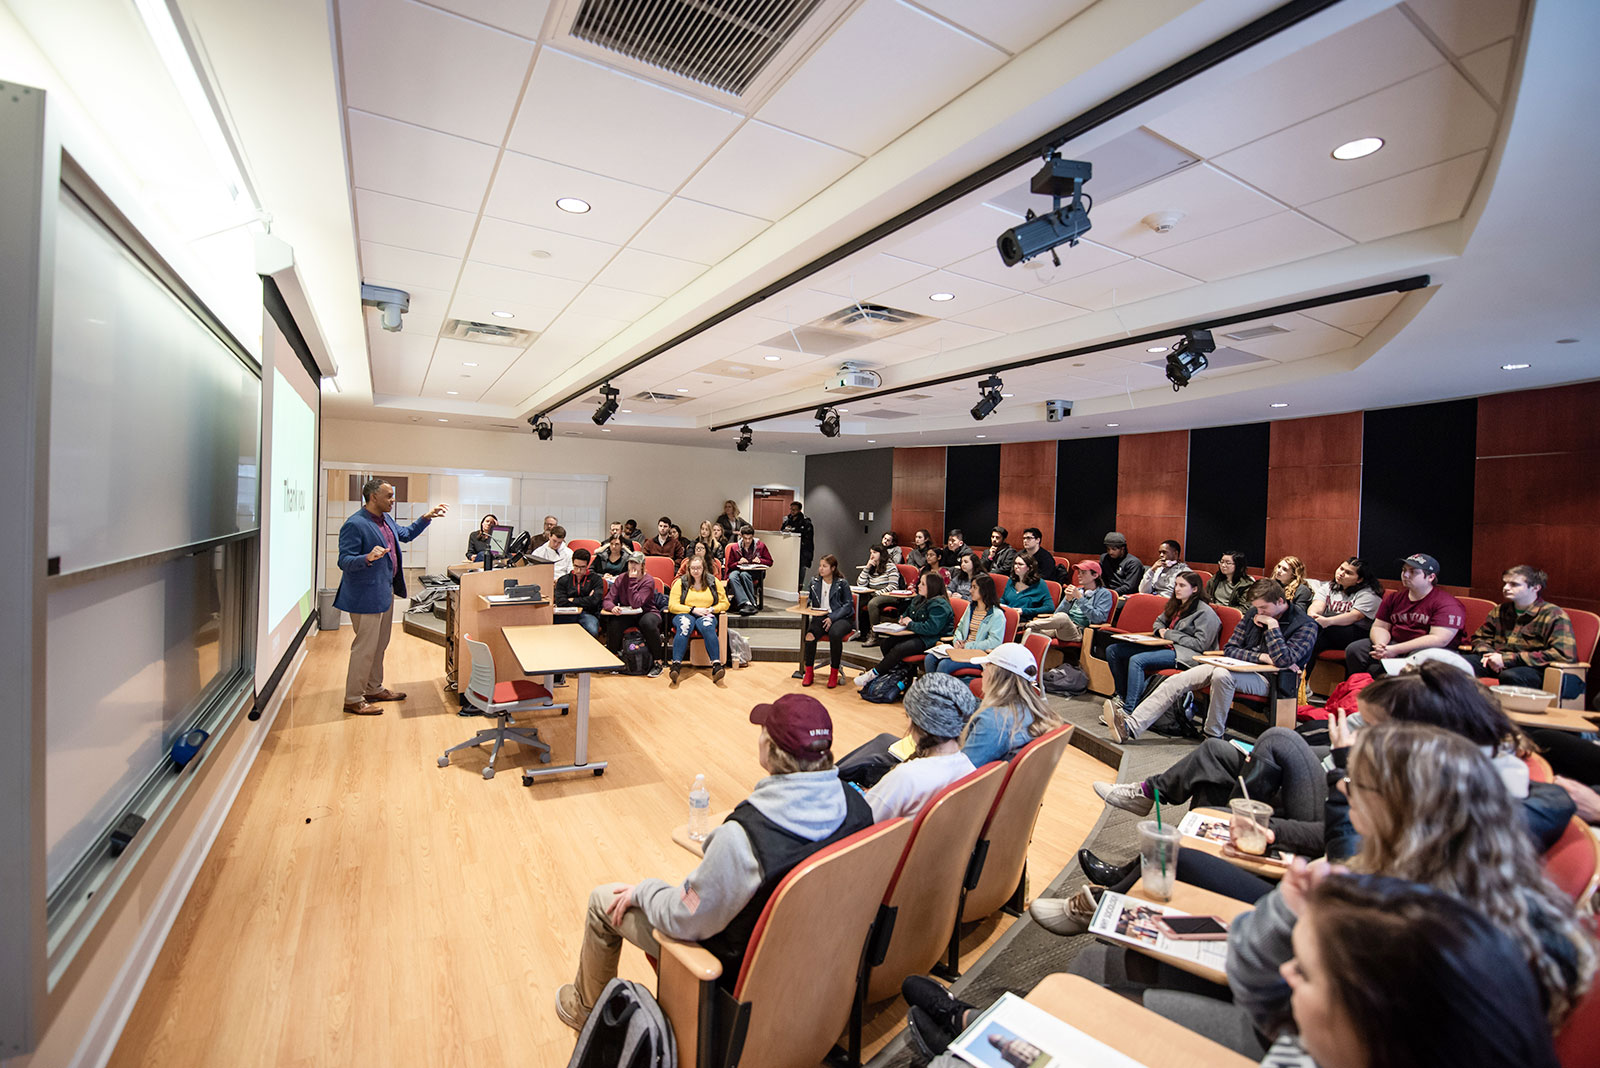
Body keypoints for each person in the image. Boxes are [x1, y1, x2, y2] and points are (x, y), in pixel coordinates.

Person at [556, 694, 872, 1030]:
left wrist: (644, 891)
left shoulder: (742, 840)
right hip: (815, 964)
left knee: (603, 902)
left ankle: (585, 1009)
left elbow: (682, 915)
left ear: (770, 748)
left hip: (731, 975)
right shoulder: (860, 808)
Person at [1108, 579, 1318, 742]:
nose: (1259, 613)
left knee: (1221, 675)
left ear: (1280, 601)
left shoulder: (1305, 625)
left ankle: (1213, 735)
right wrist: (1260, 656)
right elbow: (1231, 648)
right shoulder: (1253, 613)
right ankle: (1130, 726)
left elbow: (1284, 661)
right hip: (1237, 667)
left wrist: (1272, 627)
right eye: (1257, 608)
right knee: (1178, 680)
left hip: (1271, 680)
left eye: (1264, 608)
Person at [334, 478, 446, 715]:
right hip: (365, 597)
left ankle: (373, 688)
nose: (393, 500)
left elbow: (405, 534)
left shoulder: (386, 520)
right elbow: (344, 560)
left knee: (379, 646)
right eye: (389, 496)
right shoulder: (355, 524)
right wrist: (367, 557)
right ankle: (353, 698)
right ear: (373, 497)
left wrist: (427, 517)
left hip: (384, 593)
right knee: (364, 649)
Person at [1101, 570, 1220, 720]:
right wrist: (1160, 631)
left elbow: (1200, 644)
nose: (1177, 589)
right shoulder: (1176, 604)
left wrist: (1169, 634)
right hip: (1165, 645)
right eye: (1176, 584)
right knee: (1114, 650)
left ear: (1195, 589)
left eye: (1182, 585)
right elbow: (1159, 622)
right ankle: (1123, 697)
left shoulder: (1205, 612)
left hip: (1187, 654)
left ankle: (1129, 711)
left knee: (1137, 660)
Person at [863, 675, 979, 821]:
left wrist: (876, 794)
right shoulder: (968, 767)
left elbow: (863, 821)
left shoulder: (906, 778)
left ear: (916, 720)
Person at [1344, 553, 1466, 677]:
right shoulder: (1394, 598)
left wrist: (1395, 650)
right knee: (1355, 649)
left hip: (1428, 650)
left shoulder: (1447, 603)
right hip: (1394, 644)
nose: (1405, 575)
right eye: (1404, 570)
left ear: (1430, 577)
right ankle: (1357, 685)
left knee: (1416, 656)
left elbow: (1439, 639)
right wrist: (1381, 646)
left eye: (1413, 572)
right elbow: (1380, 626)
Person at [1466, 564, 1579, 693]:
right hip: (1495, 662)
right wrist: (1490, 655)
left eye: (1514, 584)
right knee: (1456, 663)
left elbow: (1563, 654)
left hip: (1531, 668)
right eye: (1505, 583)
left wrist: (1506, 660)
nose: (1506, 588)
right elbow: (1480, 638)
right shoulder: (1500, 610)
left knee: (1511, 676)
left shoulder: (1553, 614)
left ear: (1535, 588)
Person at [961, 642, 1062, 765]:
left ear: (995, 674)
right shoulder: (1039, 714)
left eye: (986, 667)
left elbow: (965, 771)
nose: (982, 673)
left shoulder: (993, 721)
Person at [854, 571, 954, 690]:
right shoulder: (919, 598)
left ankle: (873, 674)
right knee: (886, 643)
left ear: (932, 587)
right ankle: (900, 675)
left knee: (900, 649)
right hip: (916, 633)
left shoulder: (940, 605)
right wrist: (902, 619)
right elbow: (908, 613)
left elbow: (931, 628)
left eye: (923, 584)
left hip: (932, 639)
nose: (918, 586)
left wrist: (910, 624)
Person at [924, 573, 1003, 675]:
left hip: (979, 655)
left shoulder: (997, 614)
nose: (970, 591)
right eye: (971, 587)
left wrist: (967, 646)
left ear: (985, 590)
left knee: (944, 665)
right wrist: (957, 641)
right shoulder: (971, 608)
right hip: (962, 649)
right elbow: (960, 628)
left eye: (974, 587)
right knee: (930, 658)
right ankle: (931, 685)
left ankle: (939, 686)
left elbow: (994, 642)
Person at [667, 555, 729, 684]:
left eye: (698, 568)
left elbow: (725, 603)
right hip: (686, 613)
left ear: (703, 568)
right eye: (693, 568)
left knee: (708, 627)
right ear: (688, 569)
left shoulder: (713, 581)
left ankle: (716, 665)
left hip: (706, 613)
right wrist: (692, 609)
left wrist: (712, 609)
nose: (696, 571)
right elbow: (672, 605)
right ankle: (676, 665)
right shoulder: (680, 582)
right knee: (685, 626)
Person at [1307, 556, 1383, 659]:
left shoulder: (1369, 594)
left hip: (1356, 632)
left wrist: (1327, 622)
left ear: (1359, 579)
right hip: (1330, 630)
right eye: (1341, 568)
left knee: (1317, 634)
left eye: (1348, 573)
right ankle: (1300, 667)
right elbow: (1317, 605)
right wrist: (1313, 615)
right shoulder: (1329, 587)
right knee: (1312, 637)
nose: (1341, 573)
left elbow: (1355, 616)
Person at [602, 551, 664, 677]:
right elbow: (607, 600)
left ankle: (658, 662)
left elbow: (637, 603)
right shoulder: (621, 578)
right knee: (615, 623)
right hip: (627, 613)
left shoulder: (648, 581)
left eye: (636, 563)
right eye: (630, 562)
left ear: (642, 565)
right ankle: (614, 658)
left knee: (648, 623)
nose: (633, 566)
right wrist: (612, 607)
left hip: (647, 612)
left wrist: (632, 580)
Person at [801, 554, 855, 688]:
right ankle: (809, 672)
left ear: (833, 568)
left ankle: (834, 672)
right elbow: (809, 598)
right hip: (821, 616)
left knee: (835, 634)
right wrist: (804, 603)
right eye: (820, 566)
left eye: (824, 566)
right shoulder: (814, 582)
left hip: (841, 618)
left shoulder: (842, 583)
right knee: (809, 636)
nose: (821, 569)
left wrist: (832, 617)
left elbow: (848, 605)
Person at [1026, 559, 1113, 642]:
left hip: (1077, 631)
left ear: (1095, 575)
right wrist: (1067, 601)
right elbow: (1056, 615)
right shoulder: (1077, 590)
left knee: (1063, 617)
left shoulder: (1104, 594)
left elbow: (1098, 618)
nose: (1079, 575)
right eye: (1079, 572)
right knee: (1030, 630)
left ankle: (1026, 624)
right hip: (1060, 628)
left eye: (1083, 572)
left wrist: (1080, 599)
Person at [857, 545, 906, 646]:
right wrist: (867, 568)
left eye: (875, 553)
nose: (872, 555)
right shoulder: (871, 567)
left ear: (882, 554)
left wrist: (877, 593)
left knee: (872, 603)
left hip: (890, 595)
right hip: (874, 594)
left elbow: (893, 586)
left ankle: (874, 635)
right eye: (871, 553)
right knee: (858, 600)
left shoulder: (890, 566)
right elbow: (860, 584)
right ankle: (861, 632)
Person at [554, 548, 604, 637]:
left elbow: (594, 601)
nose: (578, 570)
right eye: (576, 566)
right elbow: (561, 602)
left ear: (587, 565)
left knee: (592, 630)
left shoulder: (596, 580)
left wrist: (572, 600)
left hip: (587, 613)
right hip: (566, 613)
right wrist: (586, 599)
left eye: (582, 567)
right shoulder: (563, 580)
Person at [724, 524, 773, 615]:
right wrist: (738, 562)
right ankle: (748, 603)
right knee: (732, 576)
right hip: (738, 570)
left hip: (754, 572)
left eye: (750, 538)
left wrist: (760, 560)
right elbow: (730, 565)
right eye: (745, 538)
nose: (747, 541)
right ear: (741, 536)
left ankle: (748, 603)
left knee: (744, 575)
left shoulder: (760, 546)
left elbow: (770, 562)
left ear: (753, 536)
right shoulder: (735, 547)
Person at [1000, 554, 1056, 624]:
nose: (1016, 567)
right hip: (1006, 616)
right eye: (1015, 563)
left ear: (1029, 568)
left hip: (1024, 621)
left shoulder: (1040, 584)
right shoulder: (1011, 580)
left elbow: (1049, 607)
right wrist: (999, 604)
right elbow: (1004, 599)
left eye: (1020, 564)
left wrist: (1024, 611)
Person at [780, 500, 814, 577]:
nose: (792, 511)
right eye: (791, 509)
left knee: (800, 573)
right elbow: (781, 532)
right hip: (788, 551)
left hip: (802, 553)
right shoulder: (787, 521)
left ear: (799, 510)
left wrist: (794, 531)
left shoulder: (806, 522)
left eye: (794, 510)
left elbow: (808, 540)